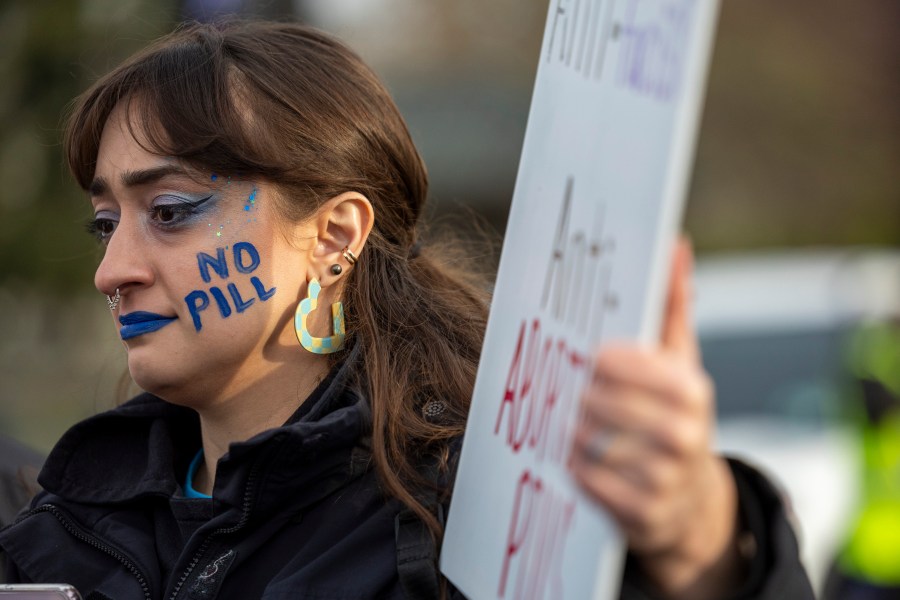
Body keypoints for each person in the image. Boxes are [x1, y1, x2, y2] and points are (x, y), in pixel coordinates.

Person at [0, 20, 813, 600]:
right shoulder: (56, 524)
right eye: (105, 224)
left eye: (171, 211)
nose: (114, 270)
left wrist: (702, 544)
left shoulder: (467, 518)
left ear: (335, 234)